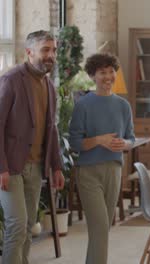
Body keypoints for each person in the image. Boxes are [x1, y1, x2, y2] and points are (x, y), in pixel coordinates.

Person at [0, 30, 65, 264]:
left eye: (54, 50)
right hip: (12, 167)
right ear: (29, 52)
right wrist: (1, 168)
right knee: (16, 225)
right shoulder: (11, 80)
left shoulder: (48, 85)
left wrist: (57, 166)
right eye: (45, 50)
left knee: (28, 226)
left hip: (36, 167)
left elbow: (52, 128)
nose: (51, 55)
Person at [69, 53, 135, 264]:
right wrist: (98, 140)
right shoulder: (83, 105)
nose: (107, 76)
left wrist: (124, 144)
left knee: (104, 228)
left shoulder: (123, 106)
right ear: (92, 76)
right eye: (102, 72)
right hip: (88, 172)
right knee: (99, 227)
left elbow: (131, 138)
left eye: (111, 71)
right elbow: (75, 143)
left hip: (114, 170)